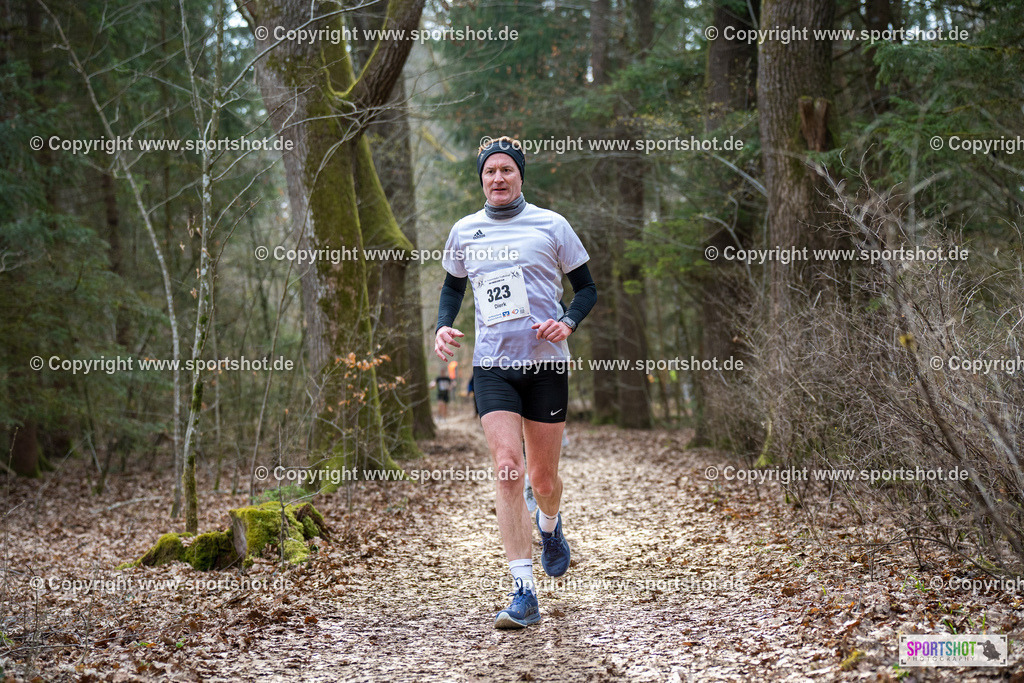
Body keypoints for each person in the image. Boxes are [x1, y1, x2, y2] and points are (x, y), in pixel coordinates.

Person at [434, 136, 597, 629]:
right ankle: (523, 591)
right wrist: (442, 325)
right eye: (489, 172)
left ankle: (550, 524)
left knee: (543, 481)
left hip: (546, 365)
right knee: (508, 467)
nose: (498, 178)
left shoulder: (552, 225)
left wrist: (566, 323)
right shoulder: (465, 231)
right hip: (492, 367)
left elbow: (586, 288)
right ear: (481, 179)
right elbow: (451, 286)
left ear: (520, 175)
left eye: (506, 170)